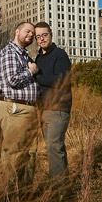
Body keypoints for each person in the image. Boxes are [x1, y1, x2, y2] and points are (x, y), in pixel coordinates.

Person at [0, 21, 40, 186]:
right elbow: (12, 79)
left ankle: (25, 195)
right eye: (27, 32)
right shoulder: (9, 53)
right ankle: (10, 195)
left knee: (28, 152)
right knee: (13, 152)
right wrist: (31, 71)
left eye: (32, 35)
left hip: (26, 109)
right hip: (15, 109)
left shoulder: (23, 54)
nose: (30, 36)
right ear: (17, 32)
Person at [32, 21, 72, 179]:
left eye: (44, 35)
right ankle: (64, 184)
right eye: (38, 37)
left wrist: (37, 75)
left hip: (58, 108)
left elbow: (61, 81)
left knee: (54, 147)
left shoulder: (60, 55)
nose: (41, 39)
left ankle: (58, 188)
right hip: (44, 109)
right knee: (55, 147)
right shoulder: (39, 57)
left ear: (51, 35)